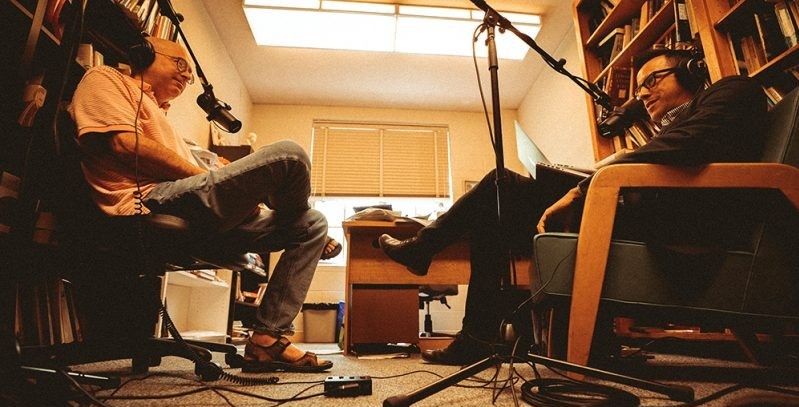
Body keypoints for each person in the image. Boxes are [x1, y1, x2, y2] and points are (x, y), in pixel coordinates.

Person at [378, 47, 769, 365]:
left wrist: (584, 187)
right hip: (641, 213)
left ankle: (432, 260)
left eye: (652, 80)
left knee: (502, 185)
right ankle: (475, 334)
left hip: (681, 227)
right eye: (639, 89)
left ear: (690, 70)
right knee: (493, 209)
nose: (644, 94)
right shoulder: (669, 129)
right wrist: (596, 176)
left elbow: (692, 143)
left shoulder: (734, 90)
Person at [69, 36, 337, 373]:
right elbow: (124, 145)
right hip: (149, 200)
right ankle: (285, 207)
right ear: (145, 54)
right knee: (291, 156)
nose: (187, 76)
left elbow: (195, 180)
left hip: (196, 211)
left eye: (190, 73)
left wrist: (234, 191)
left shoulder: (162, 116)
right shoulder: (105, 79)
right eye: (180, 64)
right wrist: (210, 178)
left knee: (312, 224)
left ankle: (266, 340)